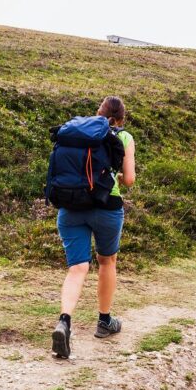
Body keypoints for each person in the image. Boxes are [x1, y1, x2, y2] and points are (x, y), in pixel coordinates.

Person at [51, 96, 136, 359]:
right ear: (121, 119)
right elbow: (129, 180)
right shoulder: (124, 137)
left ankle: (64, 322)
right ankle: (104, 321)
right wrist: (117, 176)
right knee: (107, 261)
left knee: (77, 268)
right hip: (106, 207)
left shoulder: (77, 132)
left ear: (98, 113)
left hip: (71, 206)